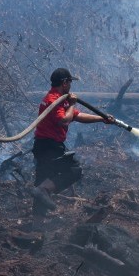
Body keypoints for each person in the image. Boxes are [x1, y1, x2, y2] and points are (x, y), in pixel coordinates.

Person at [30, 67, 113, 228]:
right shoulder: (54, 100)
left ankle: (36, 225)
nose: (71, 85)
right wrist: (72, 104)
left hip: (43, 145)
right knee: (74, 170)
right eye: (69, 82)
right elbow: (64, 120)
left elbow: (77, 115)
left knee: (41, 182)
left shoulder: (60, 99)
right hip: (49, 146)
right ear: (64, 83)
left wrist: (101, 119)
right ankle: (43, 190)